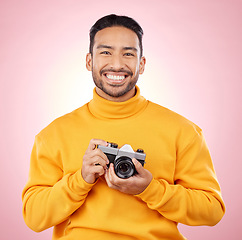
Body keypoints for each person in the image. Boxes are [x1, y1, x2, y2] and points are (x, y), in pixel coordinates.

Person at [22, 14, 225, 240]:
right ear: (89, 61)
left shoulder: (183, 131)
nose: (117, 64)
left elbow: (212, 210)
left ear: (142, 63)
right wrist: (80, 179)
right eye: (106, 52)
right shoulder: (53, 135)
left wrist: (149, 189)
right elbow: (33, 217)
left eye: (128, 54)